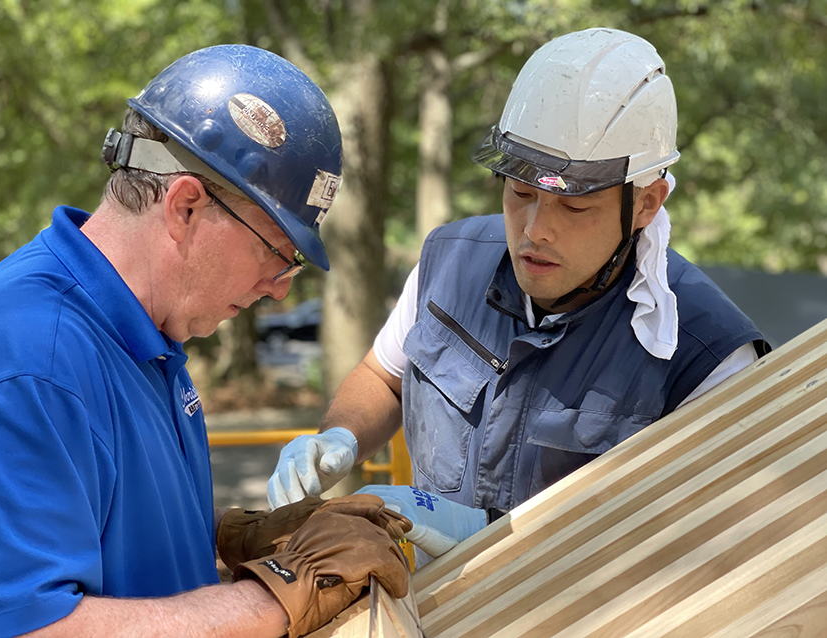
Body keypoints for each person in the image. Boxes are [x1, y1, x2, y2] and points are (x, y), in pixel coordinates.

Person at [266, 28, 770, 559]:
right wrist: (340, 438)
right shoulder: (450, 263)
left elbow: (711, 545)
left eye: (574, 208)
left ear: (646, 204)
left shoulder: (708, 356)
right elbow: (384, 379)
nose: (535, 230)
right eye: (520, 192)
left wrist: (499, 540)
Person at [0, 45, 412, 638]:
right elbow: (26, 627)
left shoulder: (148, 332)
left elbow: (108, 525)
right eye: (277, 254)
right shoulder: (26, 357)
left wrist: (233, 536)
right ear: (185, 205)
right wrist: (283, 591)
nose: (280, 291)